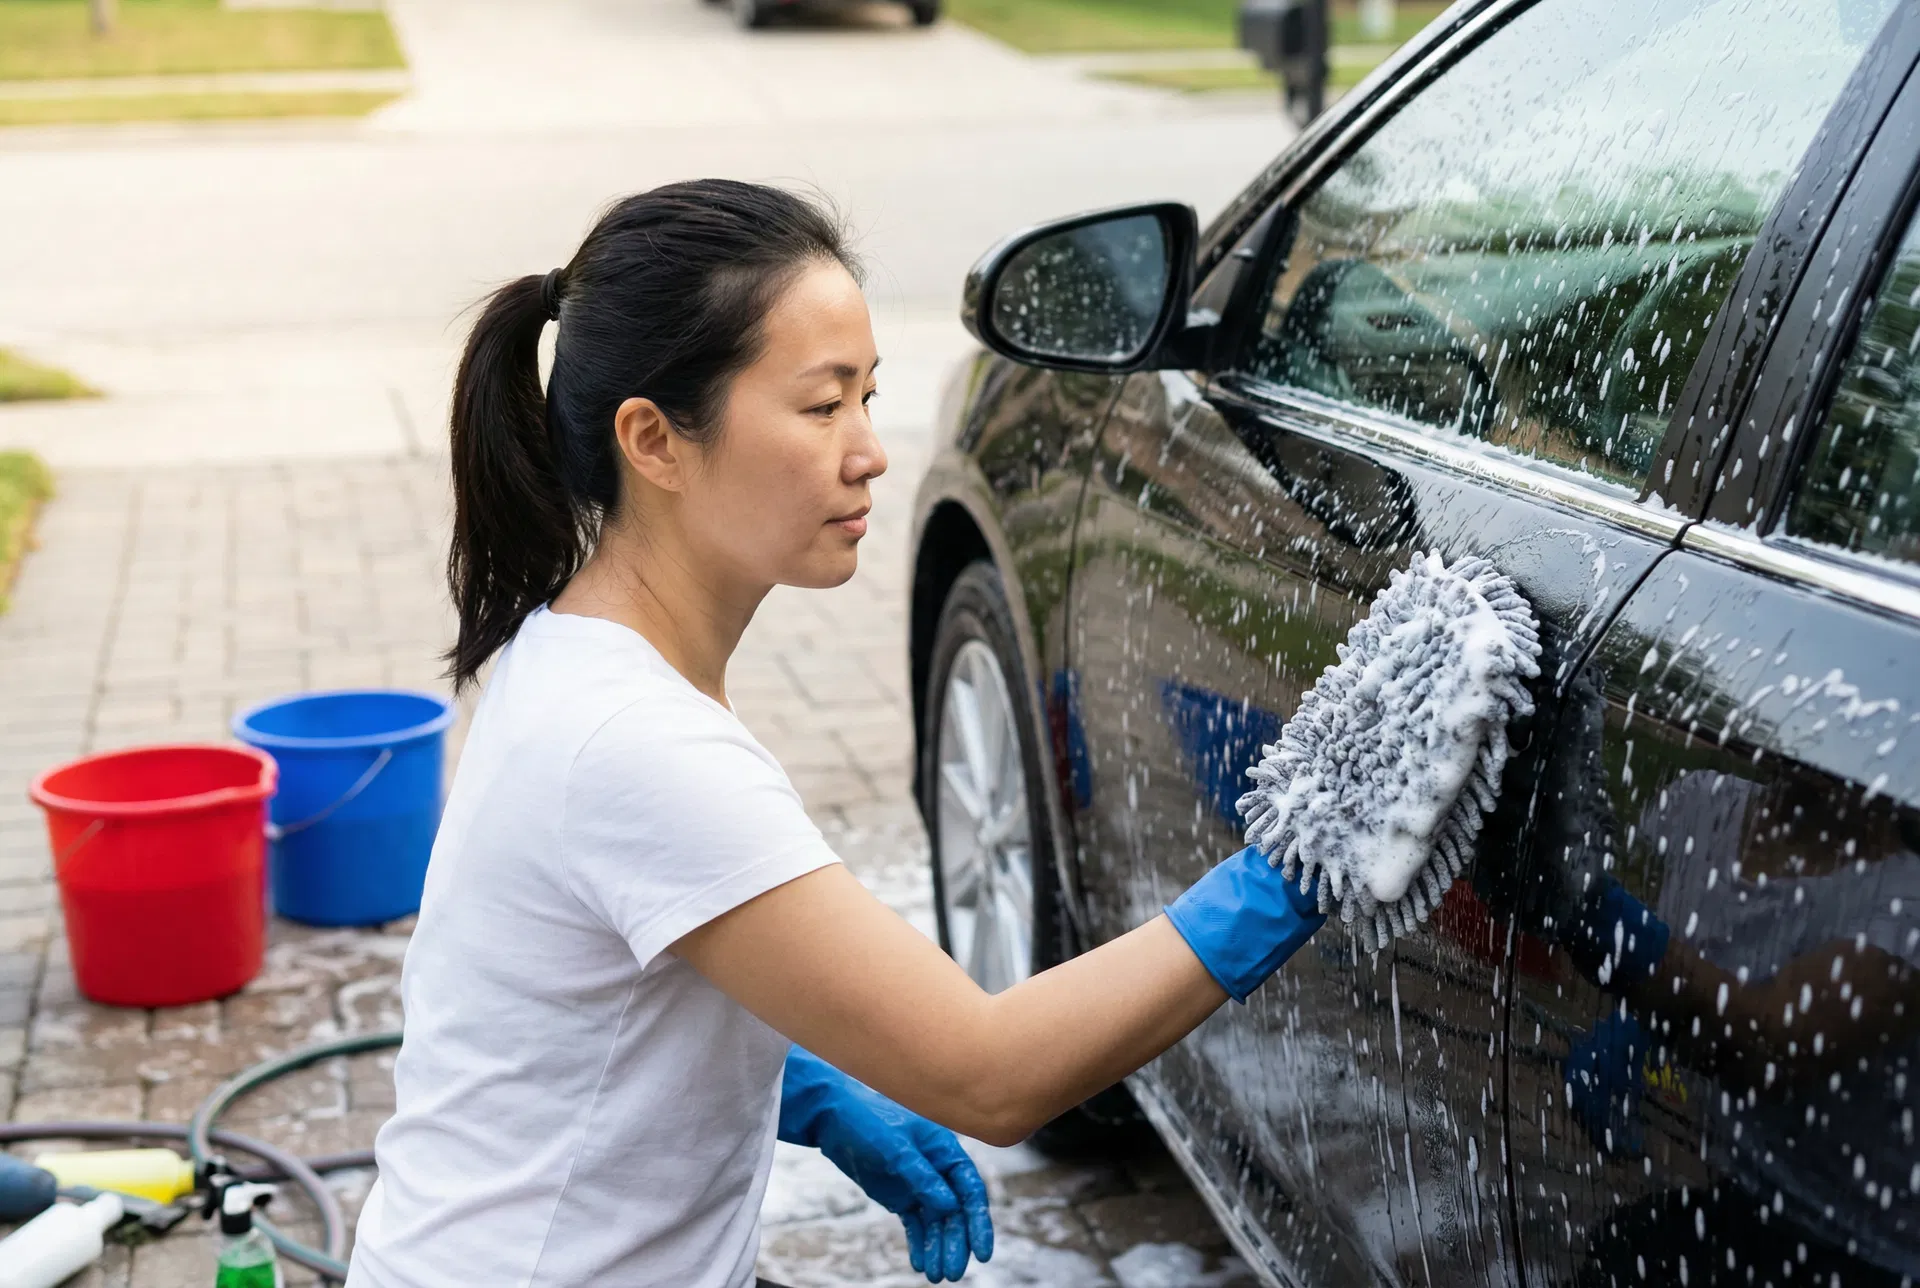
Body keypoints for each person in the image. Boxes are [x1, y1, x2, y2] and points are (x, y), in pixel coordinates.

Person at [343, 180, 1327, 1288]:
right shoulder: (633, 741)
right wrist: (1291, 867)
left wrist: (796, 1079)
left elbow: (592, 998)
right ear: (654, 441)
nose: (870, 452)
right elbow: (993, 1073)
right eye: (820, 408)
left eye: (868, 395)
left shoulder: (575, 652)